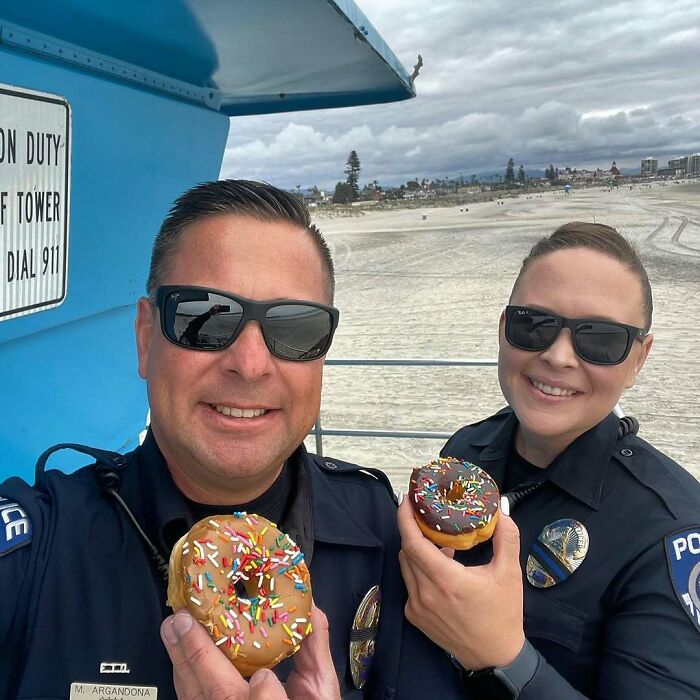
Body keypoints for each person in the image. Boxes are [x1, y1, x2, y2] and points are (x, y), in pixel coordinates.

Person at [0, 180, 464, 699]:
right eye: (204, 317)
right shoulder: (35, 550)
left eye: (294, 328)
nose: (249, 365)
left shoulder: (383, 530)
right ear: (145, 337)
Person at [398, 222, 700, 699]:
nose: (558, 356)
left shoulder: (670, 532)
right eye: (533, 325)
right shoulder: (465, 451)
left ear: (639, 359)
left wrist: (506, 658)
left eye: (600, 339)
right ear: (503, 330)